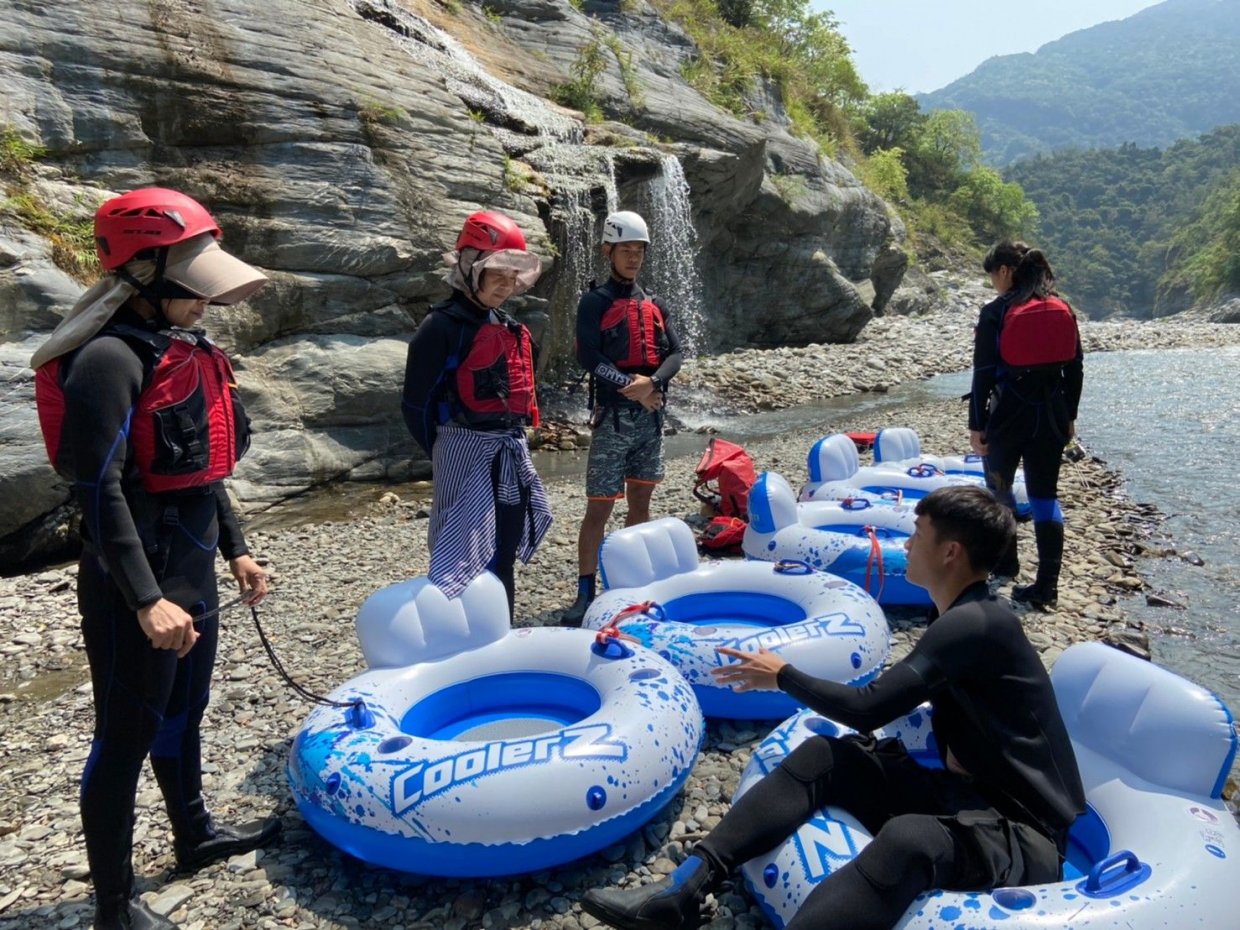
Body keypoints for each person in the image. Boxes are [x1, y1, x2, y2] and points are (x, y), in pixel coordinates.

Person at [581, 485, 1086, 930]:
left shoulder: (977, 623)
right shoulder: (958, 615)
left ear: (950, 552)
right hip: (970, 796)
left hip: (1028, 837)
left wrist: (782, 674)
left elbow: (869, 707)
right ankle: (681, 892)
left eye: (918, 534)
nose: (907, 544)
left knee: (911, 838)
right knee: (824, 756)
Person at [31, 188, 280, 930]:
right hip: (132, 583)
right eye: (191, 276)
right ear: (142, 270)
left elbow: (204, 470)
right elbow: (95, 489)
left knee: (187, 709)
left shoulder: (186, 349)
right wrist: (144, 599)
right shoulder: (106, 358)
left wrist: (237, 549)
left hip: (193, 568)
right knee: (125, 735)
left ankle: (194, 832)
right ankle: (114, 909)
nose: (205, 295)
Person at [401, 209, 552, 619]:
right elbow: (415, 406)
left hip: (508, 452)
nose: (506, 284)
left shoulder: (504, 323)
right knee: (460, 553)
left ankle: (497, 637)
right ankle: (457, 637)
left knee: (501, 556)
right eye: (496, 273)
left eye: (512, 275)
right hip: (463, 451)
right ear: (469, 268)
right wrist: (447, 453)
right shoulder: (440, 327)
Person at [560, 210, 683, 626]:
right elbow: (587, 354)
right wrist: (629, 386)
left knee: (641, 503)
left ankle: (630, 587)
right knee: (599, 508)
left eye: (640, 250)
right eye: (626, 250)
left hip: (650, 417)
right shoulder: (594, 301)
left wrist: (653, 384)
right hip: (614, 415)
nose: (634, 257)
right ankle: (583, 593)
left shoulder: (656, 303)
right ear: (608, 251)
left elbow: (675, 353)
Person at [969, 242, 1084, 607]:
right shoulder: (1061, 306)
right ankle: (1047, 587)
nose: (993, 284)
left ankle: (1007, 566)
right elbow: (1075, 369)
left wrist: (977, 424)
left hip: (1007, 417)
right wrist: (1069, 418)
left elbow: (983, 374)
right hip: (1050, 416)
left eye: (992, 276)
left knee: (1000, 491)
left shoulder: (995, 312)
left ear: (1004, 271)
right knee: (1045, 496)